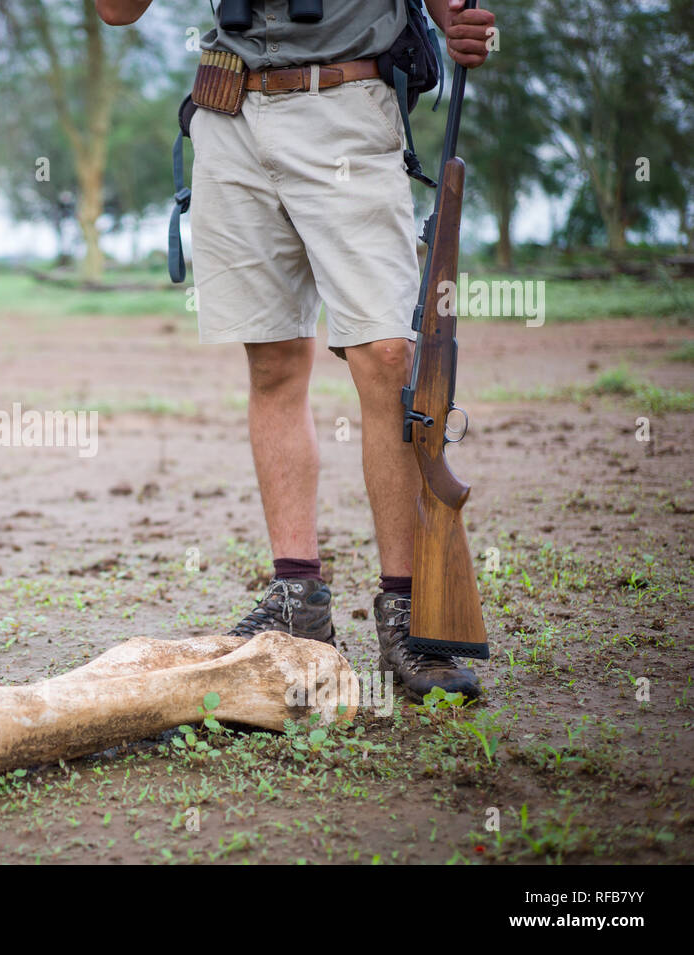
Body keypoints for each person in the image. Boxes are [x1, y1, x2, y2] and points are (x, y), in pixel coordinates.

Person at [96, 0, 497, 699]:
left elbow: (457, 8)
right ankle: (298, 597)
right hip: (230, 115)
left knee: (387, 356)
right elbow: (116, 13)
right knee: (274, 362)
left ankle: (407, 606)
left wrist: (463, 20)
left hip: (348, 102)